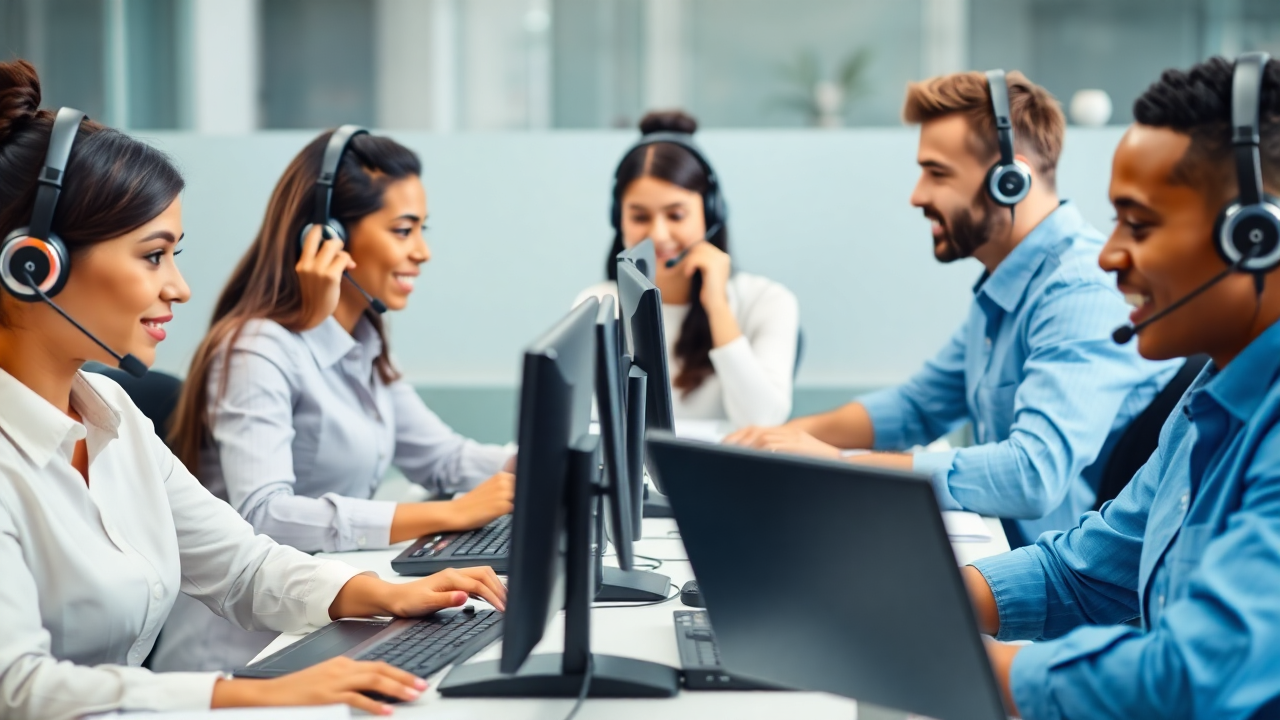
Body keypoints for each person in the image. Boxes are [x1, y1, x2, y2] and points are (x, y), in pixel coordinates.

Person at [0, 60, 504, 720]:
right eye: (154, 255)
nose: (179, 287)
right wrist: (249, 692)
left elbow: (243, 566)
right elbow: (18, 687)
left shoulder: (111, 413)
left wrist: (381, 591)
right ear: (33, 265)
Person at [727, 71, 1178, 547]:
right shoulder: (1007, 285)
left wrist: (836, 465)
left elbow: (1031, 474)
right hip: (1006, 557)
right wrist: (778, 441)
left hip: (1055, 595)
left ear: (1011, 180)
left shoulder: (1080, 289)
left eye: (937, 173)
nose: (917, 195)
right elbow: (918, 407)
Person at [967, 53, 1280, 719]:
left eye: (1138, 225)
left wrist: (948, 654)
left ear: (1258, 237)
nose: (1108, 254)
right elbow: (1082, 575)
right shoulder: (1211, 401)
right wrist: (921, 597)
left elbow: (1192, 679)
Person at [153, 127, 516, 672]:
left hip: (328, 622)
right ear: (328, 237)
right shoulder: (256, 348)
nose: (422, 251)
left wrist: (555, 459)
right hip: (239, 655)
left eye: (421, 229)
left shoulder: (359, 341)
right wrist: (448, 512)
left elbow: (444, 458)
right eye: (403, 230)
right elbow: (265, 515)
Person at [575, 110, 799, 429]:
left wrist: (717, 306)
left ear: (710, 213)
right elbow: (590, 422)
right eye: (640, 217)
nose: (659, 235)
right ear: (618, 220)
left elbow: (761, 420)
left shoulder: (766, 300)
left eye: (676, 215)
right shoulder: (597, 305)